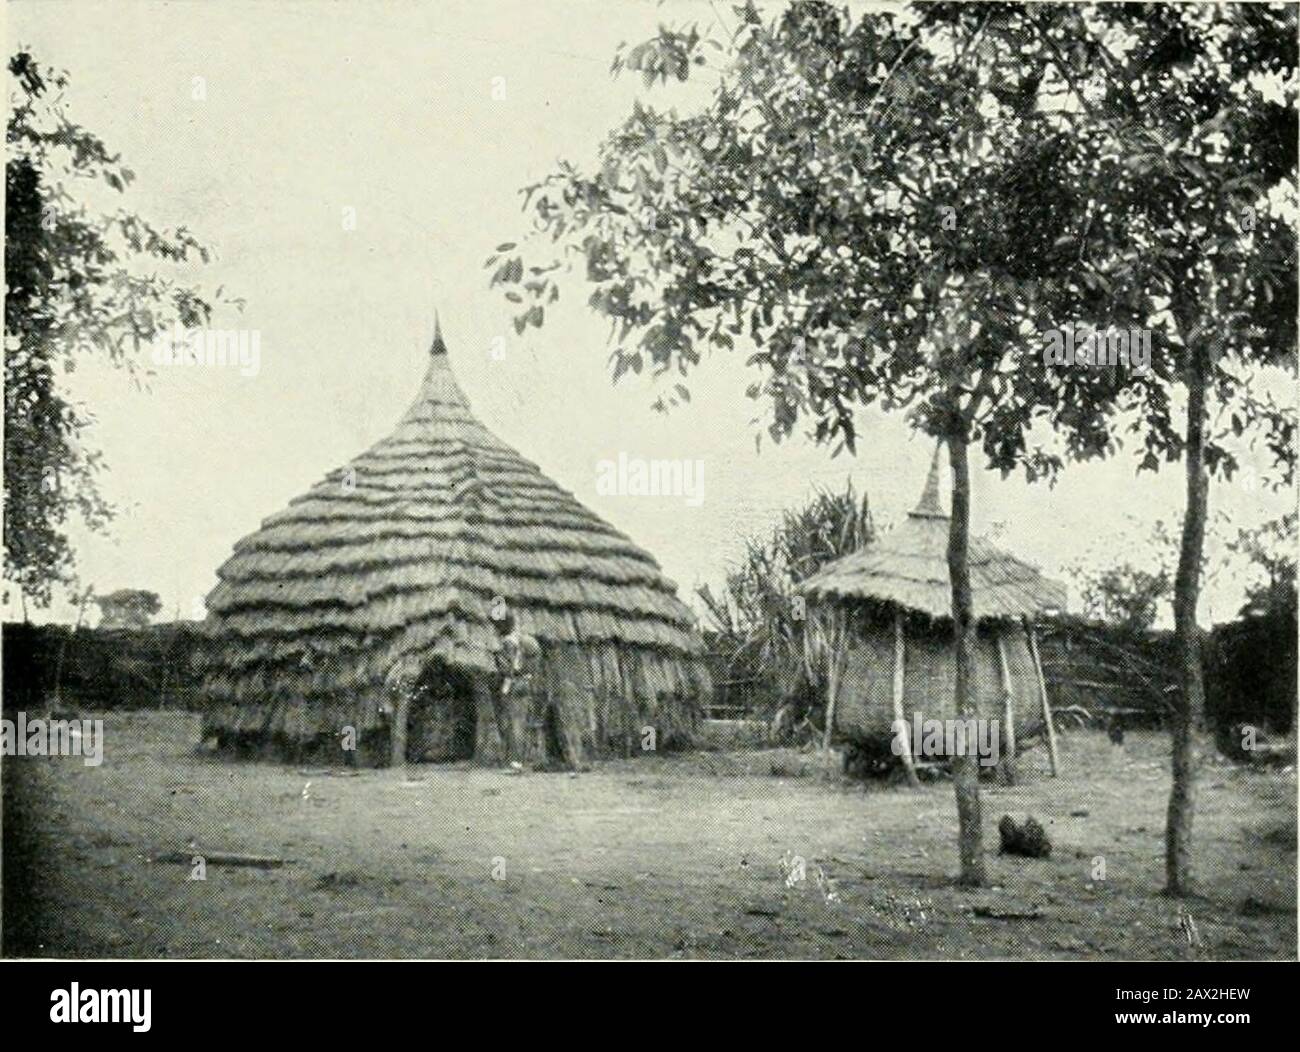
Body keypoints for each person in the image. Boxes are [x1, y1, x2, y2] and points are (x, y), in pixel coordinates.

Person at [491, 606, 540, 767]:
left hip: (513, 683)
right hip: (527, 682)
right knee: (523, 721)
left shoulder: (507, 643)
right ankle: (524, 758)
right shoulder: (526, 640)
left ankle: (516, 760)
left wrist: (503, 679)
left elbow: (509, 668)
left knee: (514, 723)